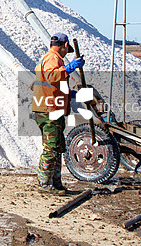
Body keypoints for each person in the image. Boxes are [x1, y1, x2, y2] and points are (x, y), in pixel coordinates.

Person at [31, 32, 85, 194]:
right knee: (51, 148)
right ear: (65, 46)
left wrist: (71, 94)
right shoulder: (52, 58)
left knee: (58, 147)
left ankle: (56, 182)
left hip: (52, 108)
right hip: (49, 111)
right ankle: (45, 184)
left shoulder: (54, 59)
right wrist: (70, 67)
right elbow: (51, 77)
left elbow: (54, 87)